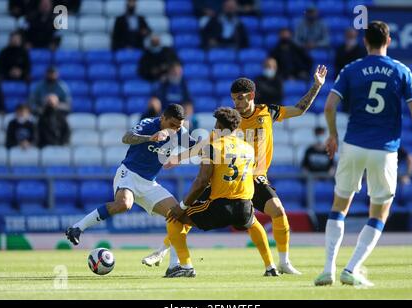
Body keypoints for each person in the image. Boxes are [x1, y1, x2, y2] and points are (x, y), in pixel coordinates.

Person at [143, 67, 328, 274]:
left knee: (277, 211)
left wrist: (316, 86)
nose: (237, 104)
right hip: (229, 179)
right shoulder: (230, 122)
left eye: (240, 99)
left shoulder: (268, 112)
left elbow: (299, 109)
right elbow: (205, 144)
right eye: (234, 99)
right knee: (186, 214)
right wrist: (179, 157)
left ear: (251, 96)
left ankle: (283, 262)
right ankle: (162, 249)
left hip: (255, 178)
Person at [314, 21, 412, 287]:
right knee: (378, 213)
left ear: (365, 42)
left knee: (339, 207)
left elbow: (330, 106)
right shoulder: (401, 70)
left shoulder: (351, 69)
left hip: (353, 145)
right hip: (384, 150)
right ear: (388, 41)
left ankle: (328, 269)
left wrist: (332, 135)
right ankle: (352, 268)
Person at [165, 107, 278, 277]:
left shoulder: (212, 147)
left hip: (220, 207)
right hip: (245, 206)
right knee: (254, 223)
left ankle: (186, 267)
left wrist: (182, 205)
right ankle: (271, 267)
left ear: (218, 125)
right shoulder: (248, 148)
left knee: (174, 218)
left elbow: (201, 181)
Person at [65, 104, 198, 248]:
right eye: (172, 125)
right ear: (163, 117)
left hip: (149, 184)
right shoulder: (148, 124)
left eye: (178, 126)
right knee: (124, 204)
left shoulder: (180, 132)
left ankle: (174, 264)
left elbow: (197, 147)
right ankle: (77, 228)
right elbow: (126, 138)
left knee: (177, 216)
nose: (175, 129)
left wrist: (179, 158)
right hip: (128, 174)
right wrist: (150, 138)